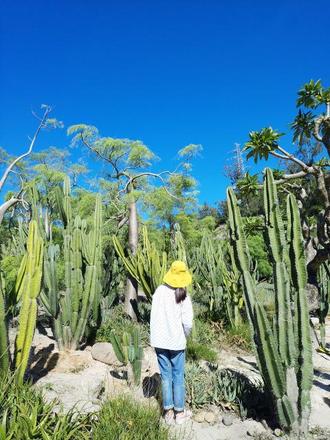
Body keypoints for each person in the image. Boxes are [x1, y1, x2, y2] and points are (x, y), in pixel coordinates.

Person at [150, 260, 194, 425]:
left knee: (166, 376)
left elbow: (153, 316)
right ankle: (180, 413)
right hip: (176, 342)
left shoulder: (159, 291)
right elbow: (188, 322)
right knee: (178, 376)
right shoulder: (183, 295)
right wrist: (185, 336)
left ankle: (168, 413)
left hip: (159, 341)